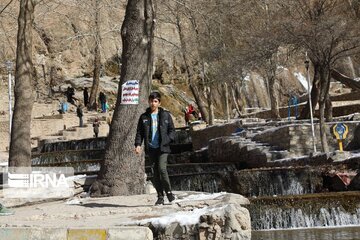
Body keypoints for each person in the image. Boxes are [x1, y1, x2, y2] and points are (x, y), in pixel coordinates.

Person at [135, 92, 176, 205]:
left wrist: (168, 140)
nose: (153, 103)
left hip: (163, 148)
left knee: (162, 169)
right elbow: (139, 132)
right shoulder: (143, 117)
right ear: (149, 102)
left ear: (159, 103)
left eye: (155, 101)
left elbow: (172, 130)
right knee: (155, 173)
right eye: (151, 101)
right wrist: (138, 144)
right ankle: (160, 196)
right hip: (151, 148)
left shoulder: (166, 115)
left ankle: (169, 193)